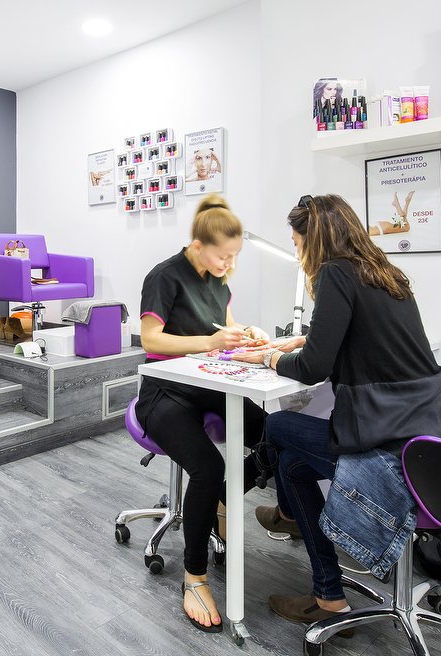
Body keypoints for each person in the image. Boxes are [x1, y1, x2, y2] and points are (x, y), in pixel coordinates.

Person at [231, 194, 441, 634]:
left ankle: (288, 530)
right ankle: (313, 565)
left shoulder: (334, 273)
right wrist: (303, 339)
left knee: (277, 425)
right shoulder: (384, 272)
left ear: (315, 240)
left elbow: (313, 370)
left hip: (396, 450)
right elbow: (365, 333)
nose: (298, 254)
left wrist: (267, 357)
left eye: (297, 244)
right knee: (292, 465)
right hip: (440, 443)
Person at [136, 194, 270, 633]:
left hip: (211, 386)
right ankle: (194, 578)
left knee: (276, 435)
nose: (228, 264)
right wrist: (211, 343)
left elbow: (225, 328)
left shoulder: (219, 281)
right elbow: (151, 340)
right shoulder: (164, 276)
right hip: (165, 393)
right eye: (223, 255)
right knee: (208, 467)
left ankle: (221, 502)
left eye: (234, 256)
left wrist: (246, 334)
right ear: (198, 245)